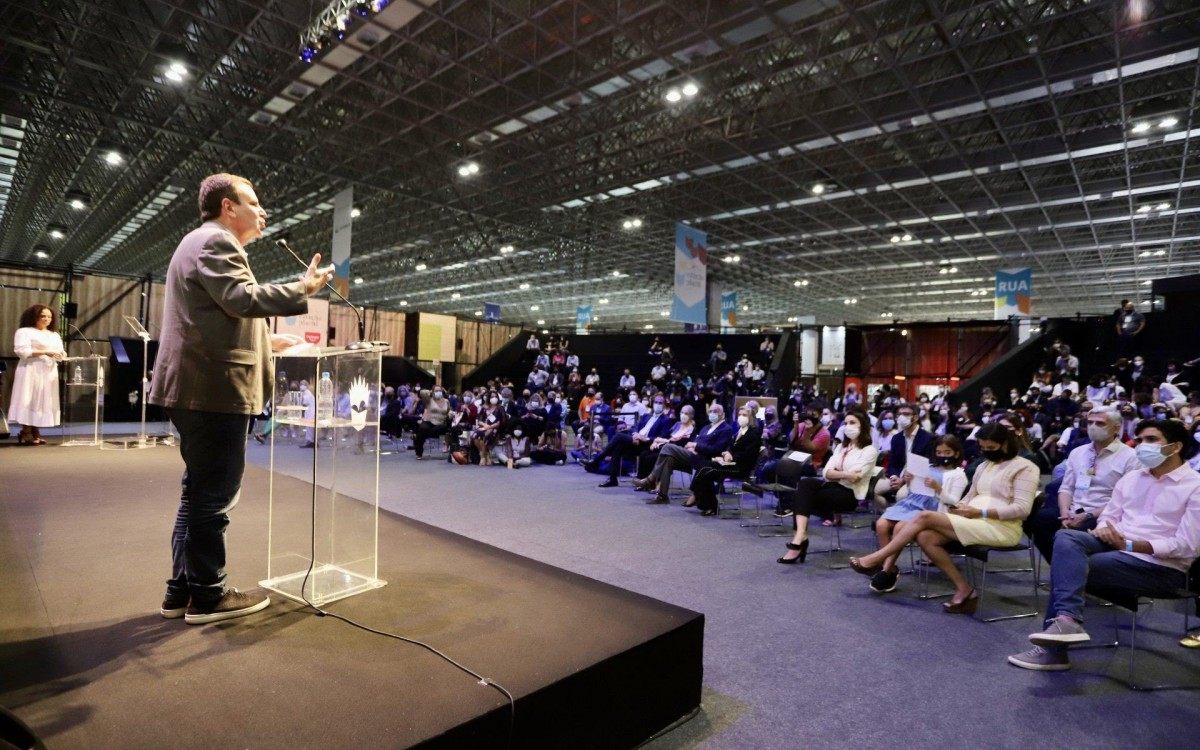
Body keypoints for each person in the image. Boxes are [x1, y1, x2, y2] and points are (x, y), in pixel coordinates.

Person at [150, 173, 332, 625]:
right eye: (255, 202)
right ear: (229, 206)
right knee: (213, 498)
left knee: (197, 496)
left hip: (200, 384)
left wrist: (269, 345)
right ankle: (209, 596)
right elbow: (241, 298)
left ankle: (182, 590)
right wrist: (302, 289)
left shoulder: (200, 243)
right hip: (212, 390)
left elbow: (214, 317)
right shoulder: (216, 241)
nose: (263, 211)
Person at [1008, 418, 1200, 671]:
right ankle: (1067, 620)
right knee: (1067, 537)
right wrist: (1104, 531)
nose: (1142, 446)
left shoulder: (1194, 486)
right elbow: (1110, 515)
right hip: (1117, 547)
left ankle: (1055, 649)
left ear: (1175, 447)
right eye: (1140, 440)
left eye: (1152, 440)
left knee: (1073, 565)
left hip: (1159, 566)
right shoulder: (1132, 479)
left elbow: (1187, 546)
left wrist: (1129, 545)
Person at [848, 423, 1039, 614]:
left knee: (923, 516)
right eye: (983, 448)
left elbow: (1022, 509)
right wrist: (959, 508)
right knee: (925, 537)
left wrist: (980, 513)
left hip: (1001, 528)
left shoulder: (1025, 468)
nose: (986, 452)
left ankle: (877, 560)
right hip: (973, 520)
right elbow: (969, 497)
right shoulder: (984, 466)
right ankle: (965, 589)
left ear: (1005, 444)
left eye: (991, 448)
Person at [1028, 407, 1140, 563]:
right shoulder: (1078, 452)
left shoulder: (1130, 457)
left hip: (1103, 514)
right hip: (1074, 509)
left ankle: (1070, 569)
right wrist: (1065, 512)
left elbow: (1124, 500)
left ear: (1116, 427)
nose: (1093, 427)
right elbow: (1066, 488)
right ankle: (1062, 566)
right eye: (1090, 422)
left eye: (1100, 423)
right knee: (1038, 519)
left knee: (1070, 535)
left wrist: (1087, 515)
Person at [866, 436, 968, 593]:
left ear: (956, 453)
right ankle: (891, 567)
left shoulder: (958, 474)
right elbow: (916, 490)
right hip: (912, 502)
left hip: (933, 508)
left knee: (900, 527)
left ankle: (885, 570)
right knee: (881, 524)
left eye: (947, 452)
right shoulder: (929, 466)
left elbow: (953, 501)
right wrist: (909, 480)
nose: (942, 455)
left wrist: (937, 488)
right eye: (939, 452)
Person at [776, 410, 878, 563]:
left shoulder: (869, 450)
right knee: (805, 484)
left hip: (849, 495)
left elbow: (856, 477)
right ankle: (800, 535)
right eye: (846, 423)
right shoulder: (840, 448)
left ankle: (800, 540)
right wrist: (845, 474)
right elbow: (826, 473)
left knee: (801, 496)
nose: (847, 426)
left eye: (852, 423)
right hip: (832, 487)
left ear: (862, 426)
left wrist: (837, 473)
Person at [635, 403, 734, 504]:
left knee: (668, 447)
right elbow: (696, 440)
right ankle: (662, 496)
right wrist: (692, 446)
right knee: (668, 459)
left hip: (705, 459)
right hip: (693, 455)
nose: (712, 413)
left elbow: (717, 449)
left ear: (723, 414)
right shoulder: (706, 427)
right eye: (711, 411)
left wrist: (696, 446)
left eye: (716, 411)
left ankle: (650, 479)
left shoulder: (726, 429)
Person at [687, 407, 762, 517]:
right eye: (739, 414)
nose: (741, 417)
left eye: (744, 415)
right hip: (730, 464)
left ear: (750, 417)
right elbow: (730, 448)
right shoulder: (739, 431)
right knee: (703, 466)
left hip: (741, 467)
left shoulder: (753, 433)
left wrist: (732, 456)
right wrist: (725, 453)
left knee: (705, 470)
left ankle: (706, 502)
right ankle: (708, 504)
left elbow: (748, 454)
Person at [9, 304, 65, 445]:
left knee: (41, 401)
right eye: (43, 316)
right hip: (31, 369)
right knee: (29, 398)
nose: (47, 319)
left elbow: (60, 352)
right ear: (34, 317)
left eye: (49, 316)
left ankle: (35, 430)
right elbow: (21, 351)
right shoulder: (24, 331)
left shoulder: (54, 335)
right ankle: (26, 431)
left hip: (48, 371)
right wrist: (44, 352)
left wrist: (61, 354)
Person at [589, 395, 675, 487]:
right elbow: (635, 427)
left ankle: (596, 461)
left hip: (648, 445)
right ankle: (613, 479)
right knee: (617, 447)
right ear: (653, 403)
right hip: (636, 441)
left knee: (618, 436)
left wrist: (645, 438)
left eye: (660, 403)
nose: (657, 404)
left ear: (664, 405)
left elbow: (662, 437)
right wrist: (635, 435)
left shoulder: (666, 420)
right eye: (656, 402)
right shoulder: (646, 416)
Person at [413, 387, 450, 459]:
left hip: (441, 423)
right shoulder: (429, 400)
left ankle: (417, 437)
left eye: (440, 391)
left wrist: (450, 414)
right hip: (429, 421)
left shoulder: (446, 401)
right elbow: (422, 392)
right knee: (423, 428)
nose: (438, 392)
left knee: (424, 433)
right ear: (432, 392)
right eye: (436, 391)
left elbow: (448, 411)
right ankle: (419, 453)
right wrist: (429, 392)